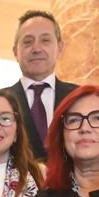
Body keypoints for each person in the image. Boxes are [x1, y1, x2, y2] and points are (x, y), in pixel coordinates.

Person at [8, 10, 76, 160]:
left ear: (60, 48)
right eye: (27, 42)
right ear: (15, 52)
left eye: (45, 40)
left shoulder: (80, 98)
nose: (36, 49)